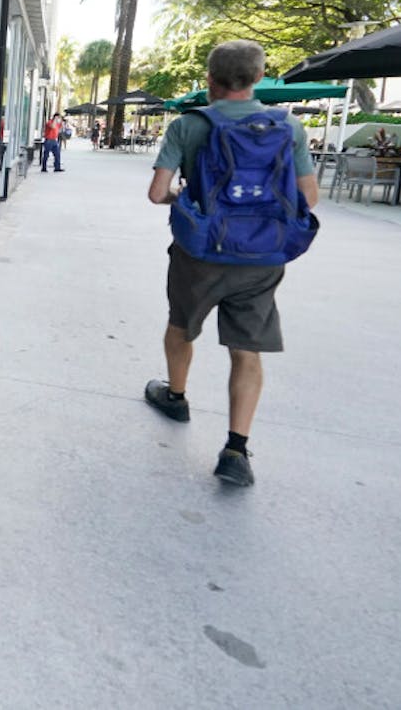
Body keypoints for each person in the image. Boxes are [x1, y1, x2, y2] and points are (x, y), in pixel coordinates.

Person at [144, 40, 318, 487]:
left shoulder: (189, 125)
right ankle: (236, 450)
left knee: (182, 324)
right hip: (261, 256)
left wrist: (185, 196)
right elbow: (309, 199)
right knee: (247, 350)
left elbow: (158, 192)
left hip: (201, 252)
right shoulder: (289, 128)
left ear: (209, 79)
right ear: (258, 77)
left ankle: (176, 396)